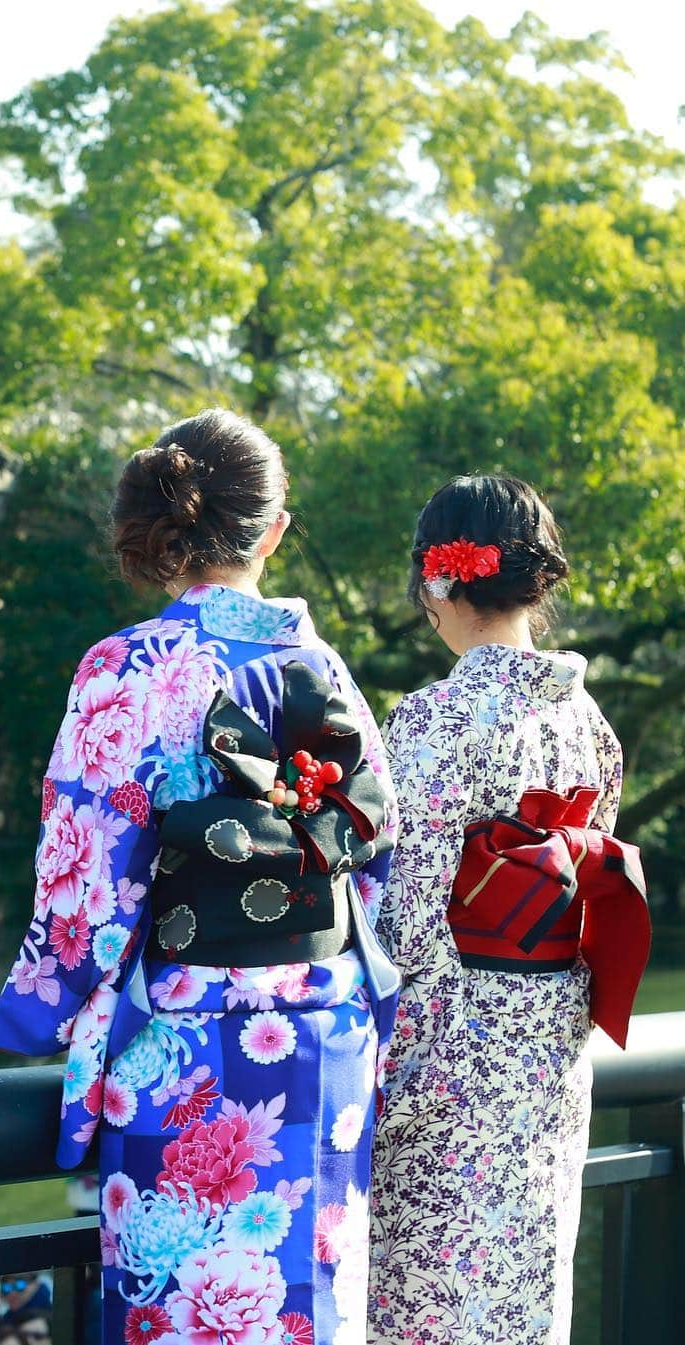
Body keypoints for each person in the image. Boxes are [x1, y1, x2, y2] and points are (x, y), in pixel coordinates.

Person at [0, 408, 401, 1344]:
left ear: (166, 533)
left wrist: (51, 1005)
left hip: (184, 1035)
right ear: (275, 531)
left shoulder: (122, 667)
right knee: (313, 1308)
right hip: (327, 1031)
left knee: (186, 1310)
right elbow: (370, 852)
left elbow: (85, 882)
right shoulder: (324, 666)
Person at [367, 475, 651, 1345]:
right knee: (524, 1306)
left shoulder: (433, 721)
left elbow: (405, 924)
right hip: (545, 1063)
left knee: (425, 1308)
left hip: (449, 1071)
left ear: (440, 582)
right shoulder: (588, 719)